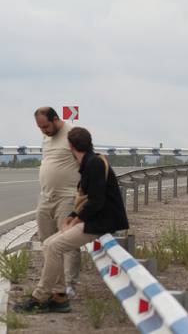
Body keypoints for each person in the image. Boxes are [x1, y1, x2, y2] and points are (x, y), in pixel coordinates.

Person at [14, 127, 129, 313]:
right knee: (49, 243)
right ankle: (59, 296)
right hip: (95, 219)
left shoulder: (94, 164)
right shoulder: (90, 162)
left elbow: (97, 201)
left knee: (53, 246)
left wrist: (77, 218)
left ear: (70, 146)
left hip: (100, 222)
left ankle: (39, 297)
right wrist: (74, 216)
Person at [33, 107, 81, 296]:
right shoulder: (46, 137)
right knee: (47, 242)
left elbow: (85, 162)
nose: (43, 130)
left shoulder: (72, 134)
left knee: (67, 242)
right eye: (39, 127)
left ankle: (69, 285)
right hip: (46, 197)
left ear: (55, 119)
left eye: (45, 126)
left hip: (67, 197)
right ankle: (57, 286)